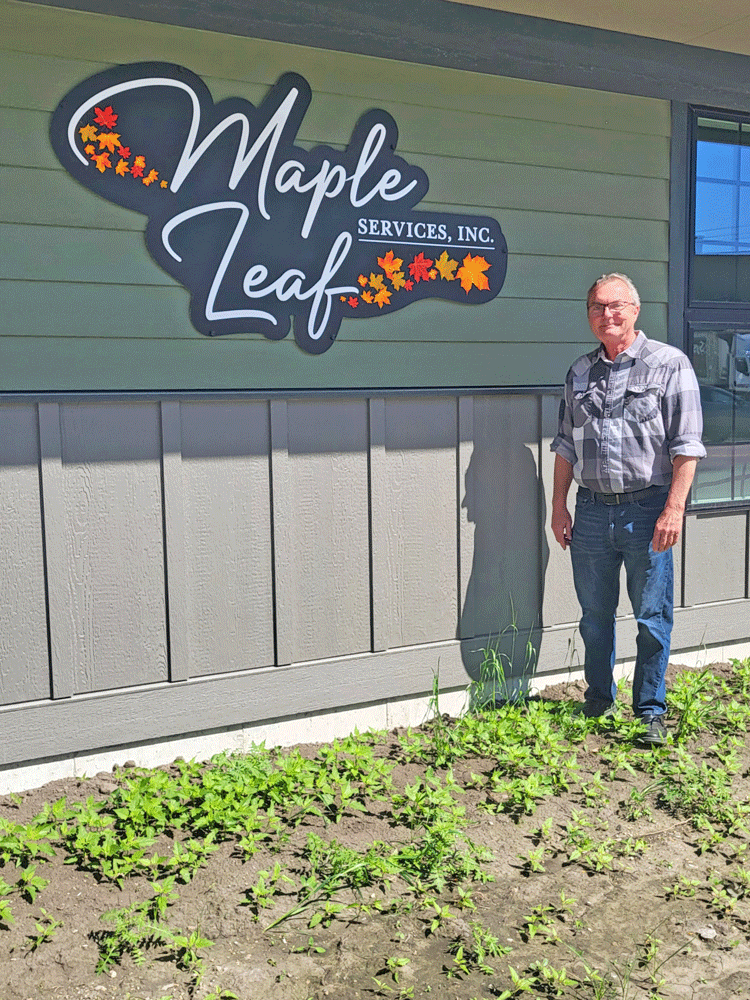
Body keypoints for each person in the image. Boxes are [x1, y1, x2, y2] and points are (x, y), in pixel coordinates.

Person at [550, 273, 706, 744]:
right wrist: (558, 506)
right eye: (597, 307)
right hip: (593, 511)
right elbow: (564, 446)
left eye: (616, 305)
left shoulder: (668, 364)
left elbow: (688, 447)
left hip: (648, 510)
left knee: (651, 617)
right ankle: (598, 699)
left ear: (635, 310)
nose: (607, 315)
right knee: (594, 615)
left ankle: (650, 711)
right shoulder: (579, 372)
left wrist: (673, 509)